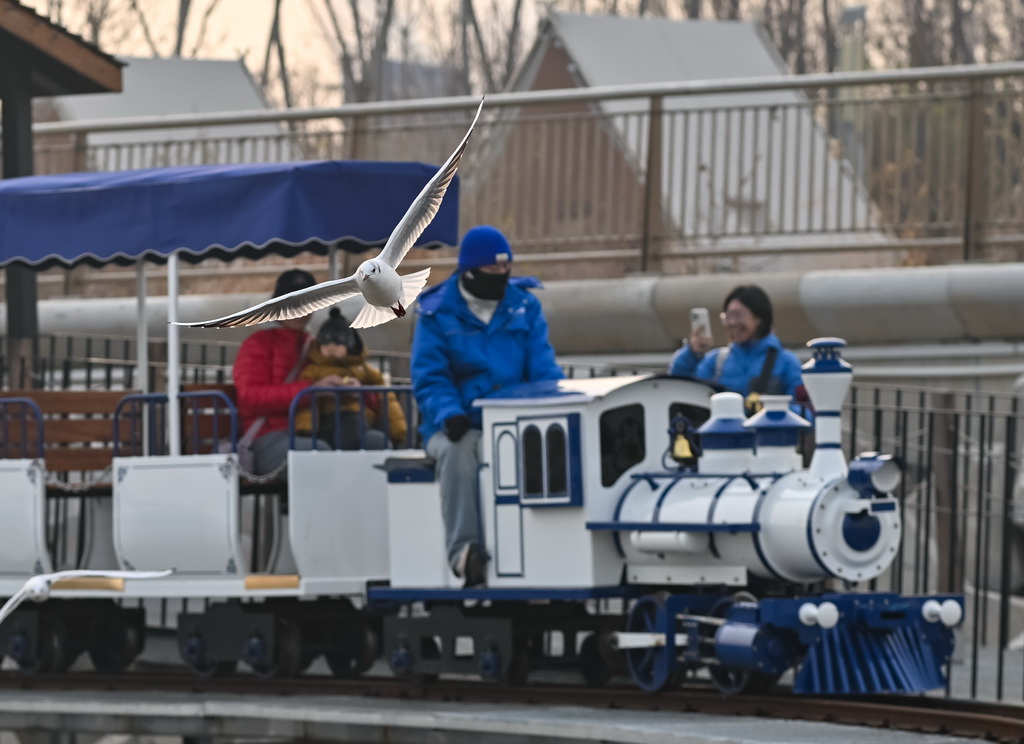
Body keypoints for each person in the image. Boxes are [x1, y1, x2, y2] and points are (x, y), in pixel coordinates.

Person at [411, 225, 564, 587]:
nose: (501, 277)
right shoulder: (436, 314)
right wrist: (449, 413)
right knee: (460, 453)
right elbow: (430, 376)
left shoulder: (524, 305)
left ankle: (546, 546)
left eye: (505, 269)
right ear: (468, 273)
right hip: (457, 423)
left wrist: (556, 402)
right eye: (492, 271)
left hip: (514, 420)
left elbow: (542, 366)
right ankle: (464, 553)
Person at [232, 269, 348, 475]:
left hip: (310, 430)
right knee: (318, 455)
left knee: (371, 440)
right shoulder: (257, 343)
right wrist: (310, 391)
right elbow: (249, 397)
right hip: (266, 436)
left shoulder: (314, 344)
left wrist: (349, 387)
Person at [668, 284, 804, 411]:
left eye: (738, 315)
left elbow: (803, 412)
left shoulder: (787, 362)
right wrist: (692, 353)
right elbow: (679, 386)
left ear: (759, 317)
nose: (732, 323)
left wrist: (771, 412)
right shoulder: (717, 361)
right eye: (727, 316)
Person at [294, 308, 407, 450]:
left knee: (365, 433)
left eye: (338, 342)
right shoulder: (314, 370)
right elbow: (305, 401)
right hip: (325, 420)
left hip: (359, 419)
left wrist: (397, 430)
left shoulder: (363, 370)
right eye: (326, 342)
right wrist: (305, 428)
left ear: (351, 345)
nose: (331, 347)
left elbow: (386, 398)